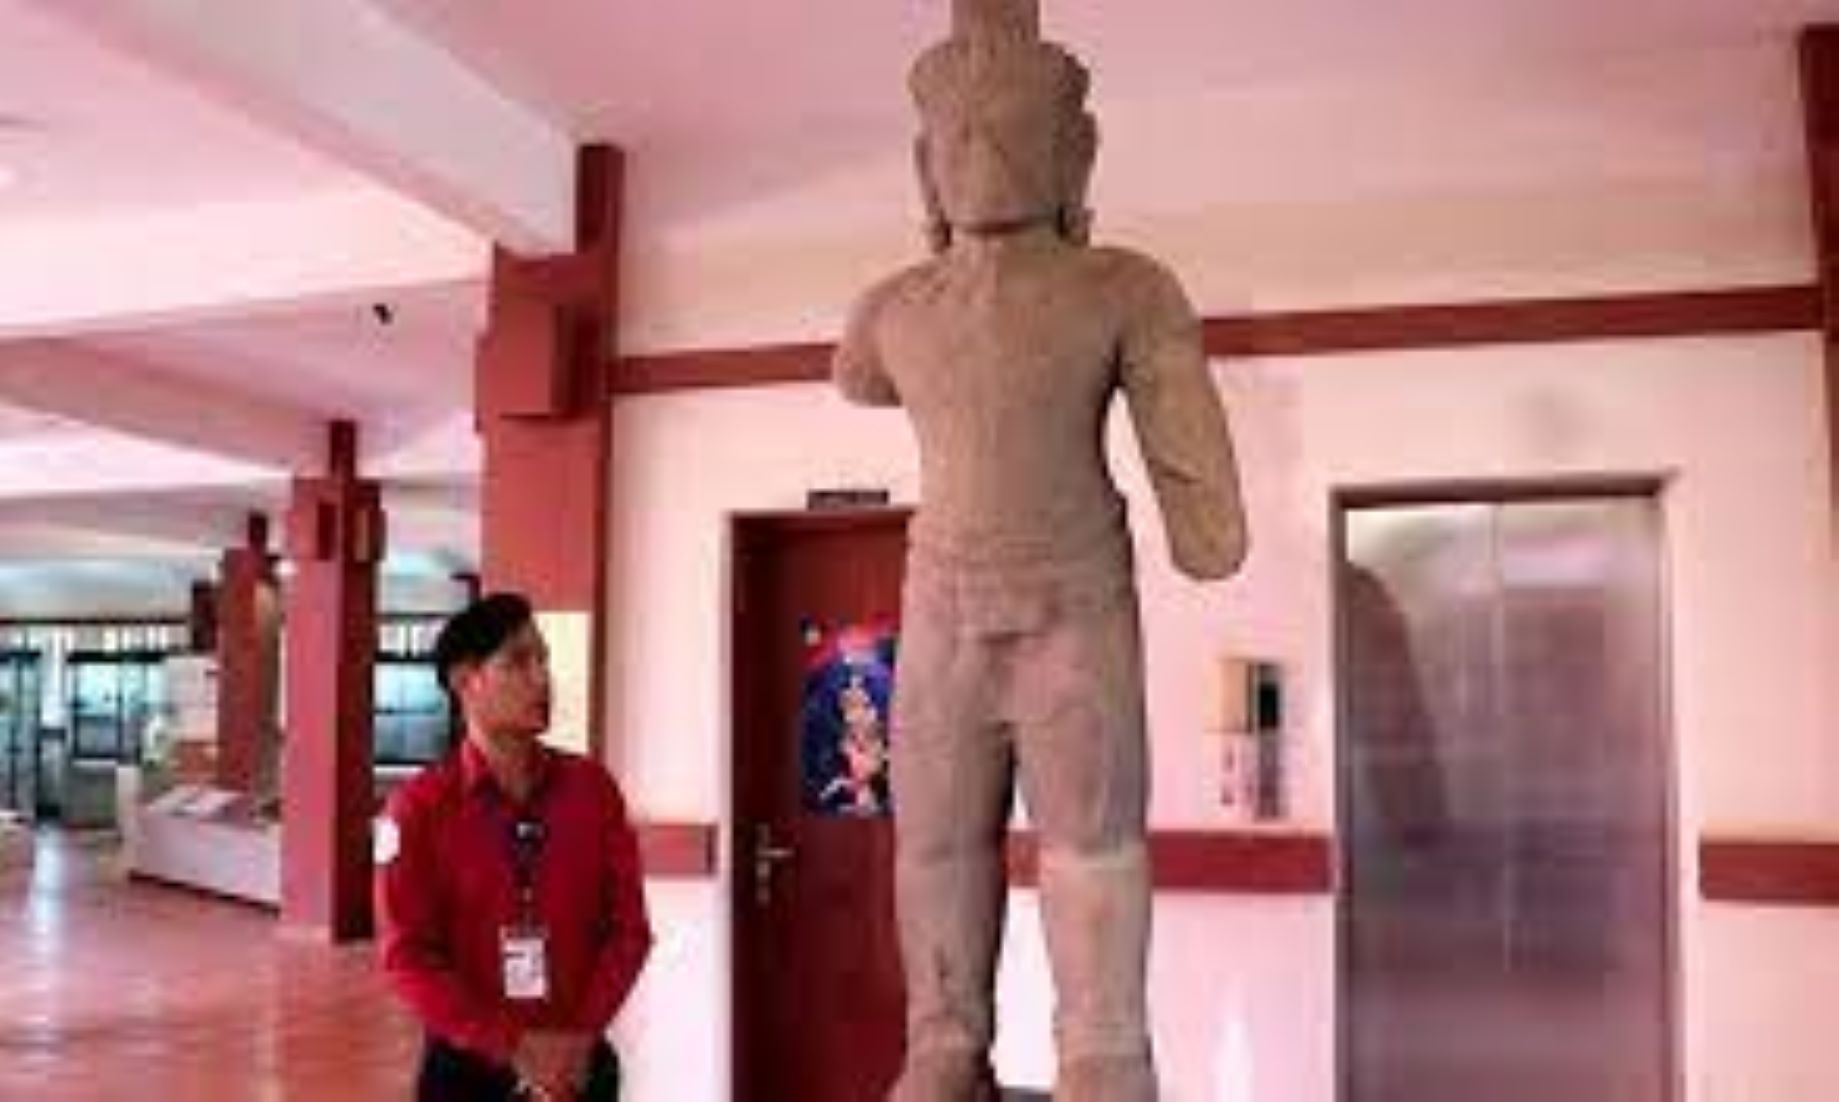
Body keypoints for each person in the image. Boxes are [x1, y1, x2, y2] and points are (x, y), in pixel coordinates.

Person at [832, 1, 1247, 1098]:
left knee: (1093, 841)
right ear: (926, 166)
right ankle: (944, 1035)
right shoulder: (892, 313)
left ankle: (1103, 1042)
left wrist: (1206, 517)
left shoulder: (1124, 288)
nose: (987, 151)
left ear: (1076, 151)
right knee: (934, 841)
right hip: (942, 601)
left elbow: (1193, 464)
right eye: (963, 132)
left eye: (1015, 125)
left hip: (1075, 594)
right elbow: (852, 372)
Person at [375, 593, 652, 1101]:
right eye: (518, 662)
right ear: (465, 681)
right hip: (469, 1069)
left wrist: (577, 1040)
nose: (542, 678)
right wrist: (513, 1047)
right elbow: (406, 956)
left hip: (580, 1065)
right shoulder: (419, 809)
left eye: (543, 660)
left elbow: (628, 930)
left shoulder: (592, 790)